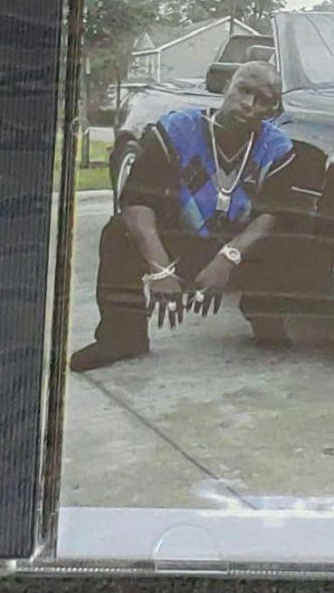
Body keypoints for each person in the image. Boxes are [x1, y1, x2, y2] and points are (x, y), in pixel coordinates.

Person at [70, 61, 293, 372]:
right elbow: (135, 201)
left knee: (288, 236)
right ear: (226, 86)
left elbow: (272, 214)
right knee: (119, 232)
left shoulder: (278, 148)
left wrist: (228, 259)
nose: (248, 104)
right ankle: (122, 336)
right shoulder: (177, 129)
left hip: (235, 248)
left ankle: (266, 318)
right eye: (243, 90)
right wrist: (160, 269)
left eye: (262, 100)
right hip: (180, 241)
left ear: (273, 110)